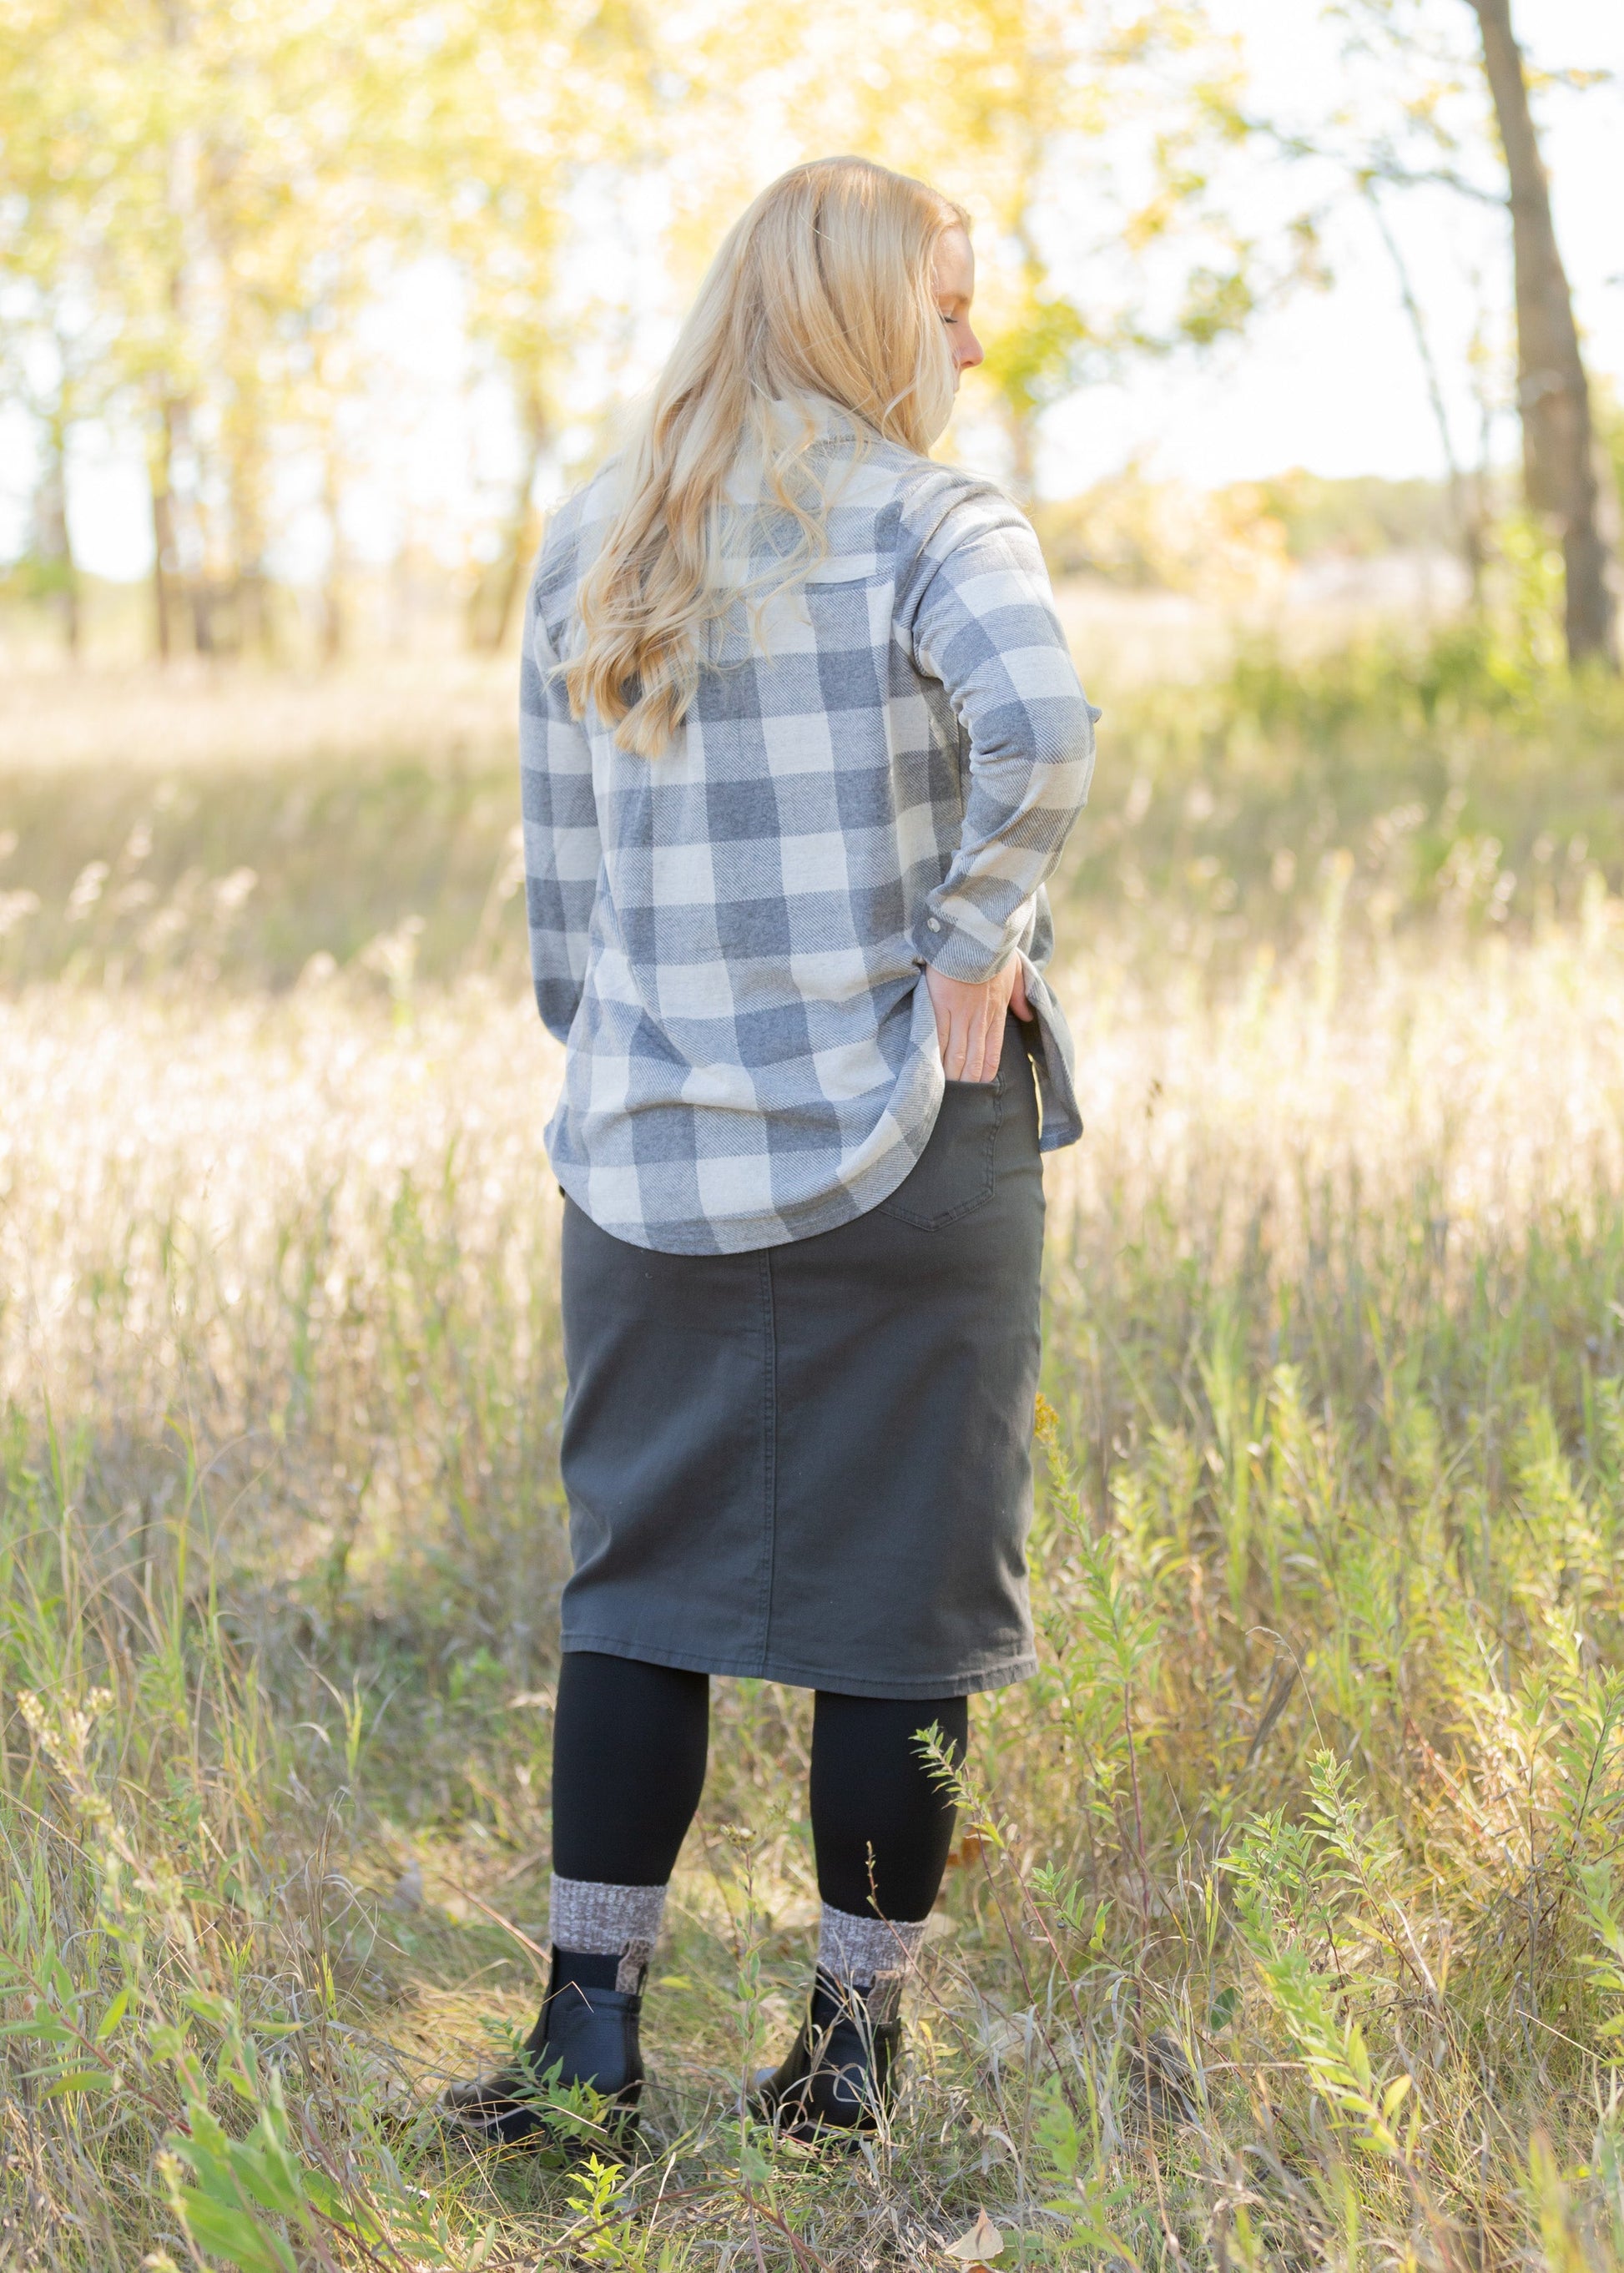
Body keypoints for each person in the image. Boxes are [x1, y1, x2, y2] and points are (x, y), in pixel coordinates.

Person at [444, 154, 1098, 2150]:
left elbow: (566, 889)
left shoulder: (596, 540)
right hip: (913, 1145)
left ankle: (584, 2046)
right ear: (855, 311)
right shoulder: (932, 525)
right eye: (950, 300)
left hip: (650, 1150)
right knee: (893, 1618)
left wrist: (634, 1061)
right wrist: (975, 942)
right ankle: (843, 2058)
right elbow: (1048, 729)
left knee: (634, 1591)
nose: (972, 340)